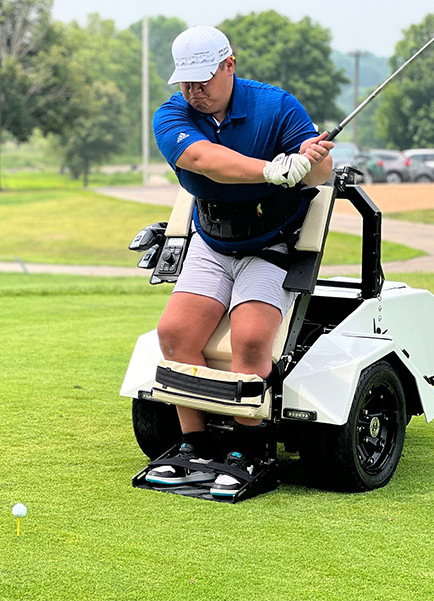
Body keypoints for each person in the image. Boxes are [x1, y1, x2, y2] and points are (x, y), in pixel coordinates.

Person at [144, 25, 334, 497]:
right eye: (186, 82)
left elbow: (323, 175)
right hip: (210, 241)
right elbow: (205, 160)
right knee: (175, 334)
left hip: (270, 242)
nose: (194, 91)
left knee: (251, 341)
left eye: (203, 79)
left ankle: (249, 451)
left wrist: (311, 157)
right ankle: (195, 445)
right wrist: (272, 168)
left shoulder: (277, 105)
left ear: (230, 65)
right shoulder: (172, 115)